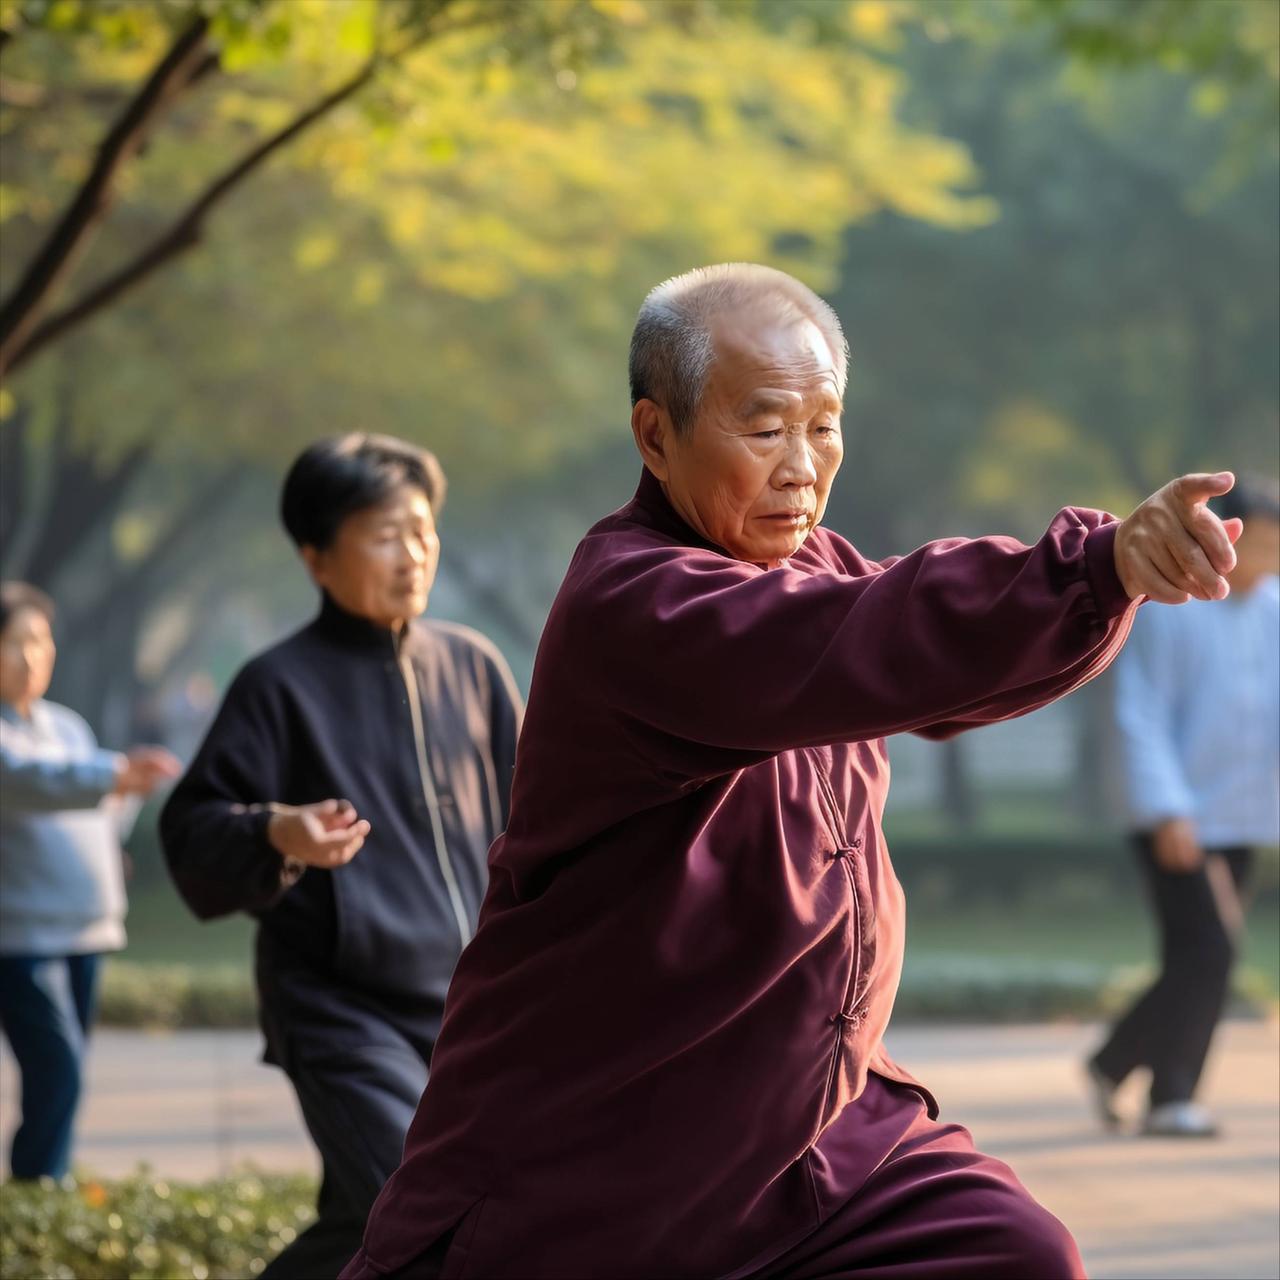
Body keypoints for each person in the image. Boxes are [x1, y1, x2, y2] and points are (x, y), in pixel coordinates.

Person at [341, 264, 1242, 1280]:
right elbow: (863, 638)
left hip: (813, 1127)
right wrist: (1093, 563)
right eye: (764, 429)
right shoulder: (633, 601)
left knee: (1012, 1254)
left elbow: (933, 671)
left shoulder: (814, 570)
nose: (801, 466)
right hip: (606, 1135)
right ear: (654, 435)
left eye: (823, 426)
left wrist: (1104, 585)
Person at [159, 434, 522, 1278]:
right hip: (338, 1006)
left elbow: (537, 817)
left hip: (467, 1007)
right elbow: (190, 830)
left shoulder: (471, 667)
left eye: (424, 531)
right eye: (385, 535)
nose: (414, 555)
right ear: (317, 558)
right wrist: (274, 833)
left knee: (379, 1224)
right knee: (417, 1209)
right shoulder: (277, 685)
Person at [1087, 476, 1279, 1138]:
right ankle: (1172, 1097)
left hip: (1243, 814)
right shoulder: (1175, 608)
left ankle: (1113, 1062)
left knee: (1197, 956)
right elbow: (1139, 713)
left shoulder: (1276, 611)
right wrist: (1168, 810)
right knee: (1215, 951)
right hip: (1175, 817)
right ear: (1229, 537)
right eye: (1265, 537)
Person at [0, 581, 179, 1180]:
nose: (31, 657)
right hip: (21, 937)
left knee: (66, 1071)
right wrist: (115, 774)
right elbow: (34, 780)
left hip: (86, 929)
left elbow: (95, 806)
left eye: (40, 641)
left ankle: (52, 1184)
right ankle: (39, 1195)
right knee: (59, 1069)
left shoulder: (67, 726)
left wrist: (126, 791)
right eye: (13, 643)